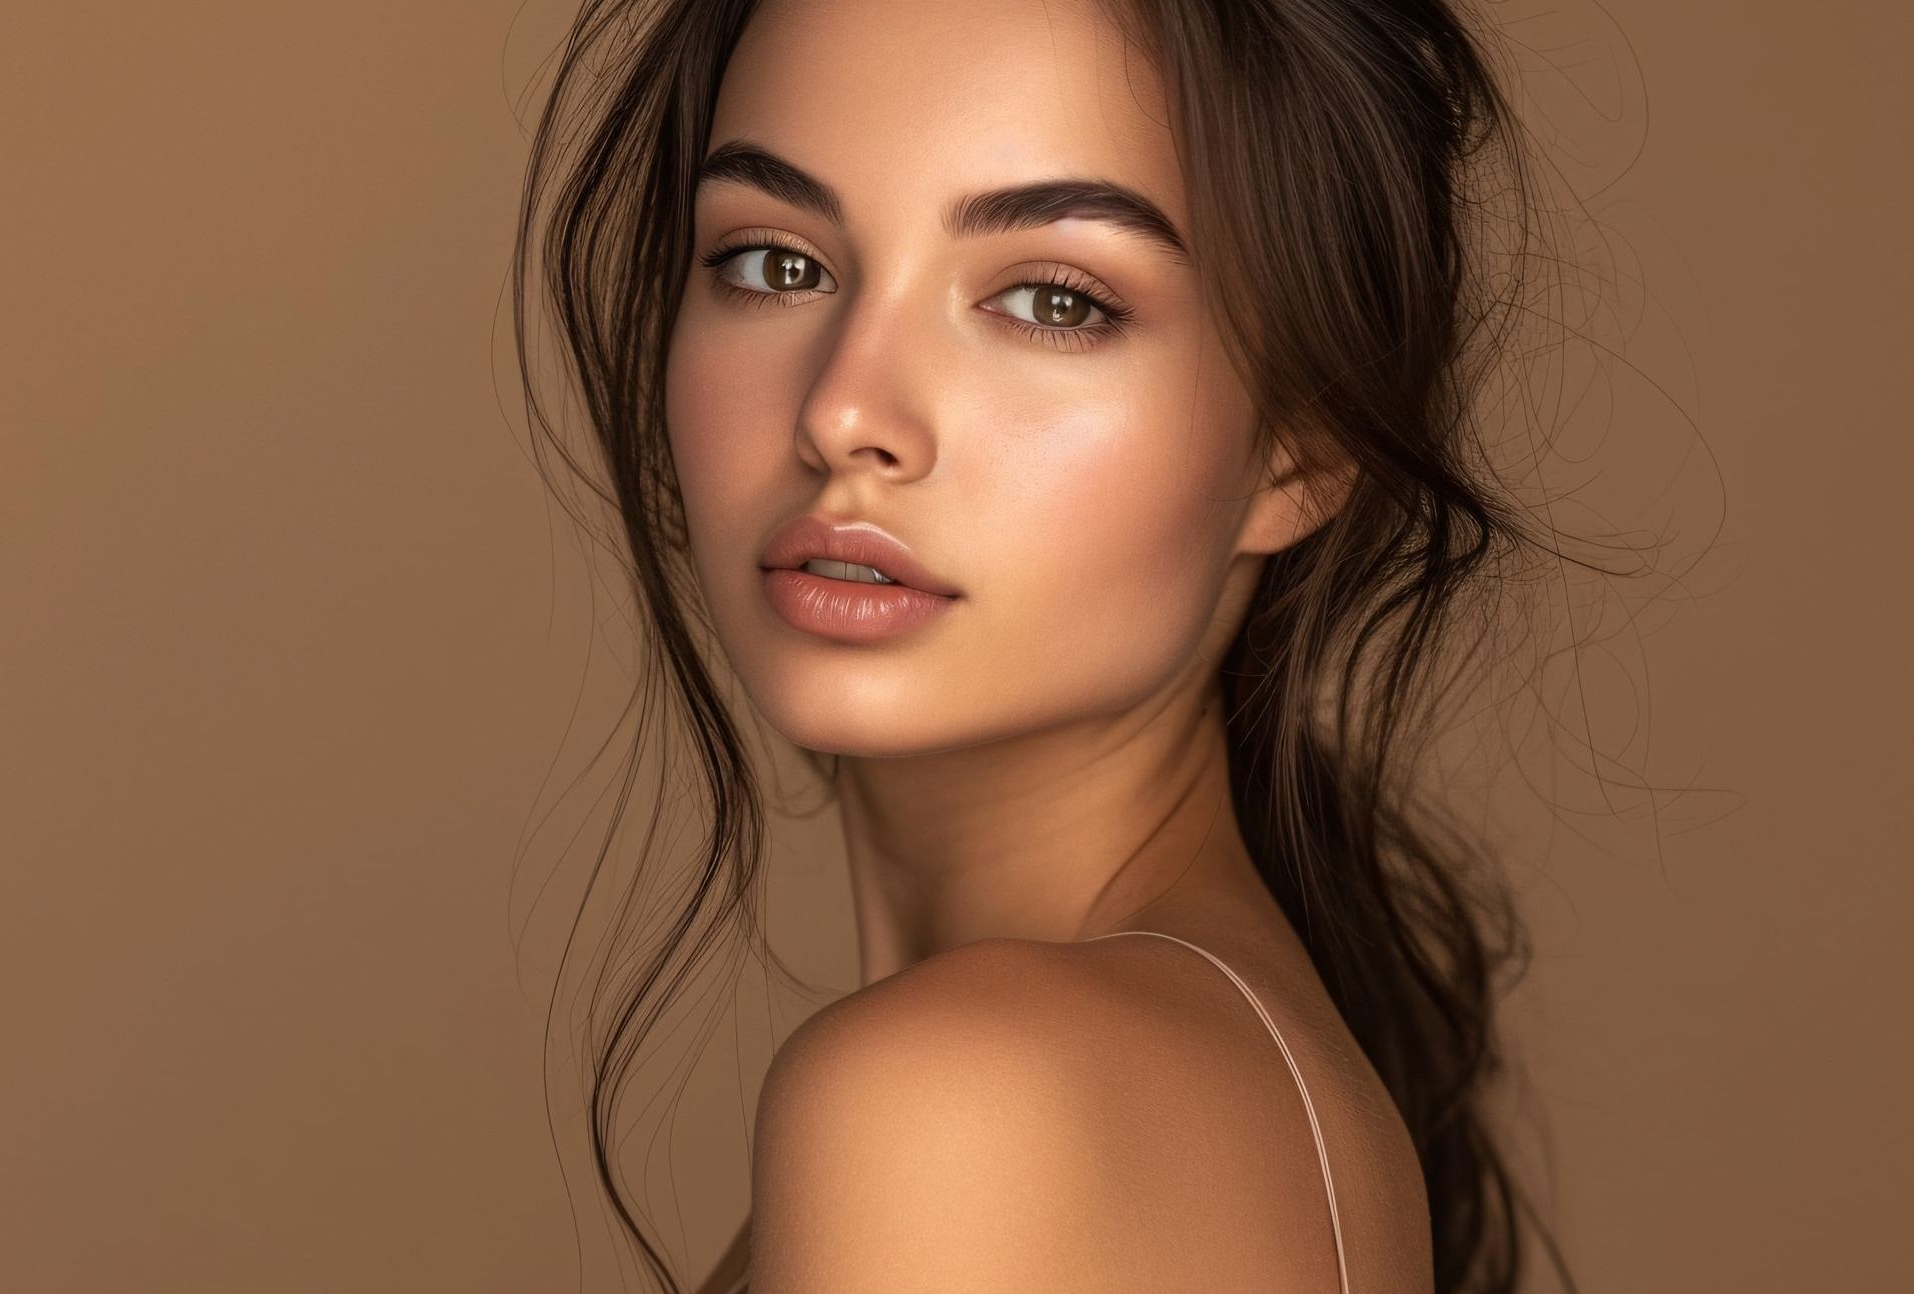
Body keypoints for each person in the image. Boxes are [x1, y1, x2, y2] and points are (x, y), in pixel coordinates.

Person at [510, 0, 1584, 1289]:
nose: (845, 409)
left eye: (1050, 300)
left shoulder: (957, 1101)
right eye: (774, 264)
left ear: (1302, 439)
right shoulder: (1223, 1065)